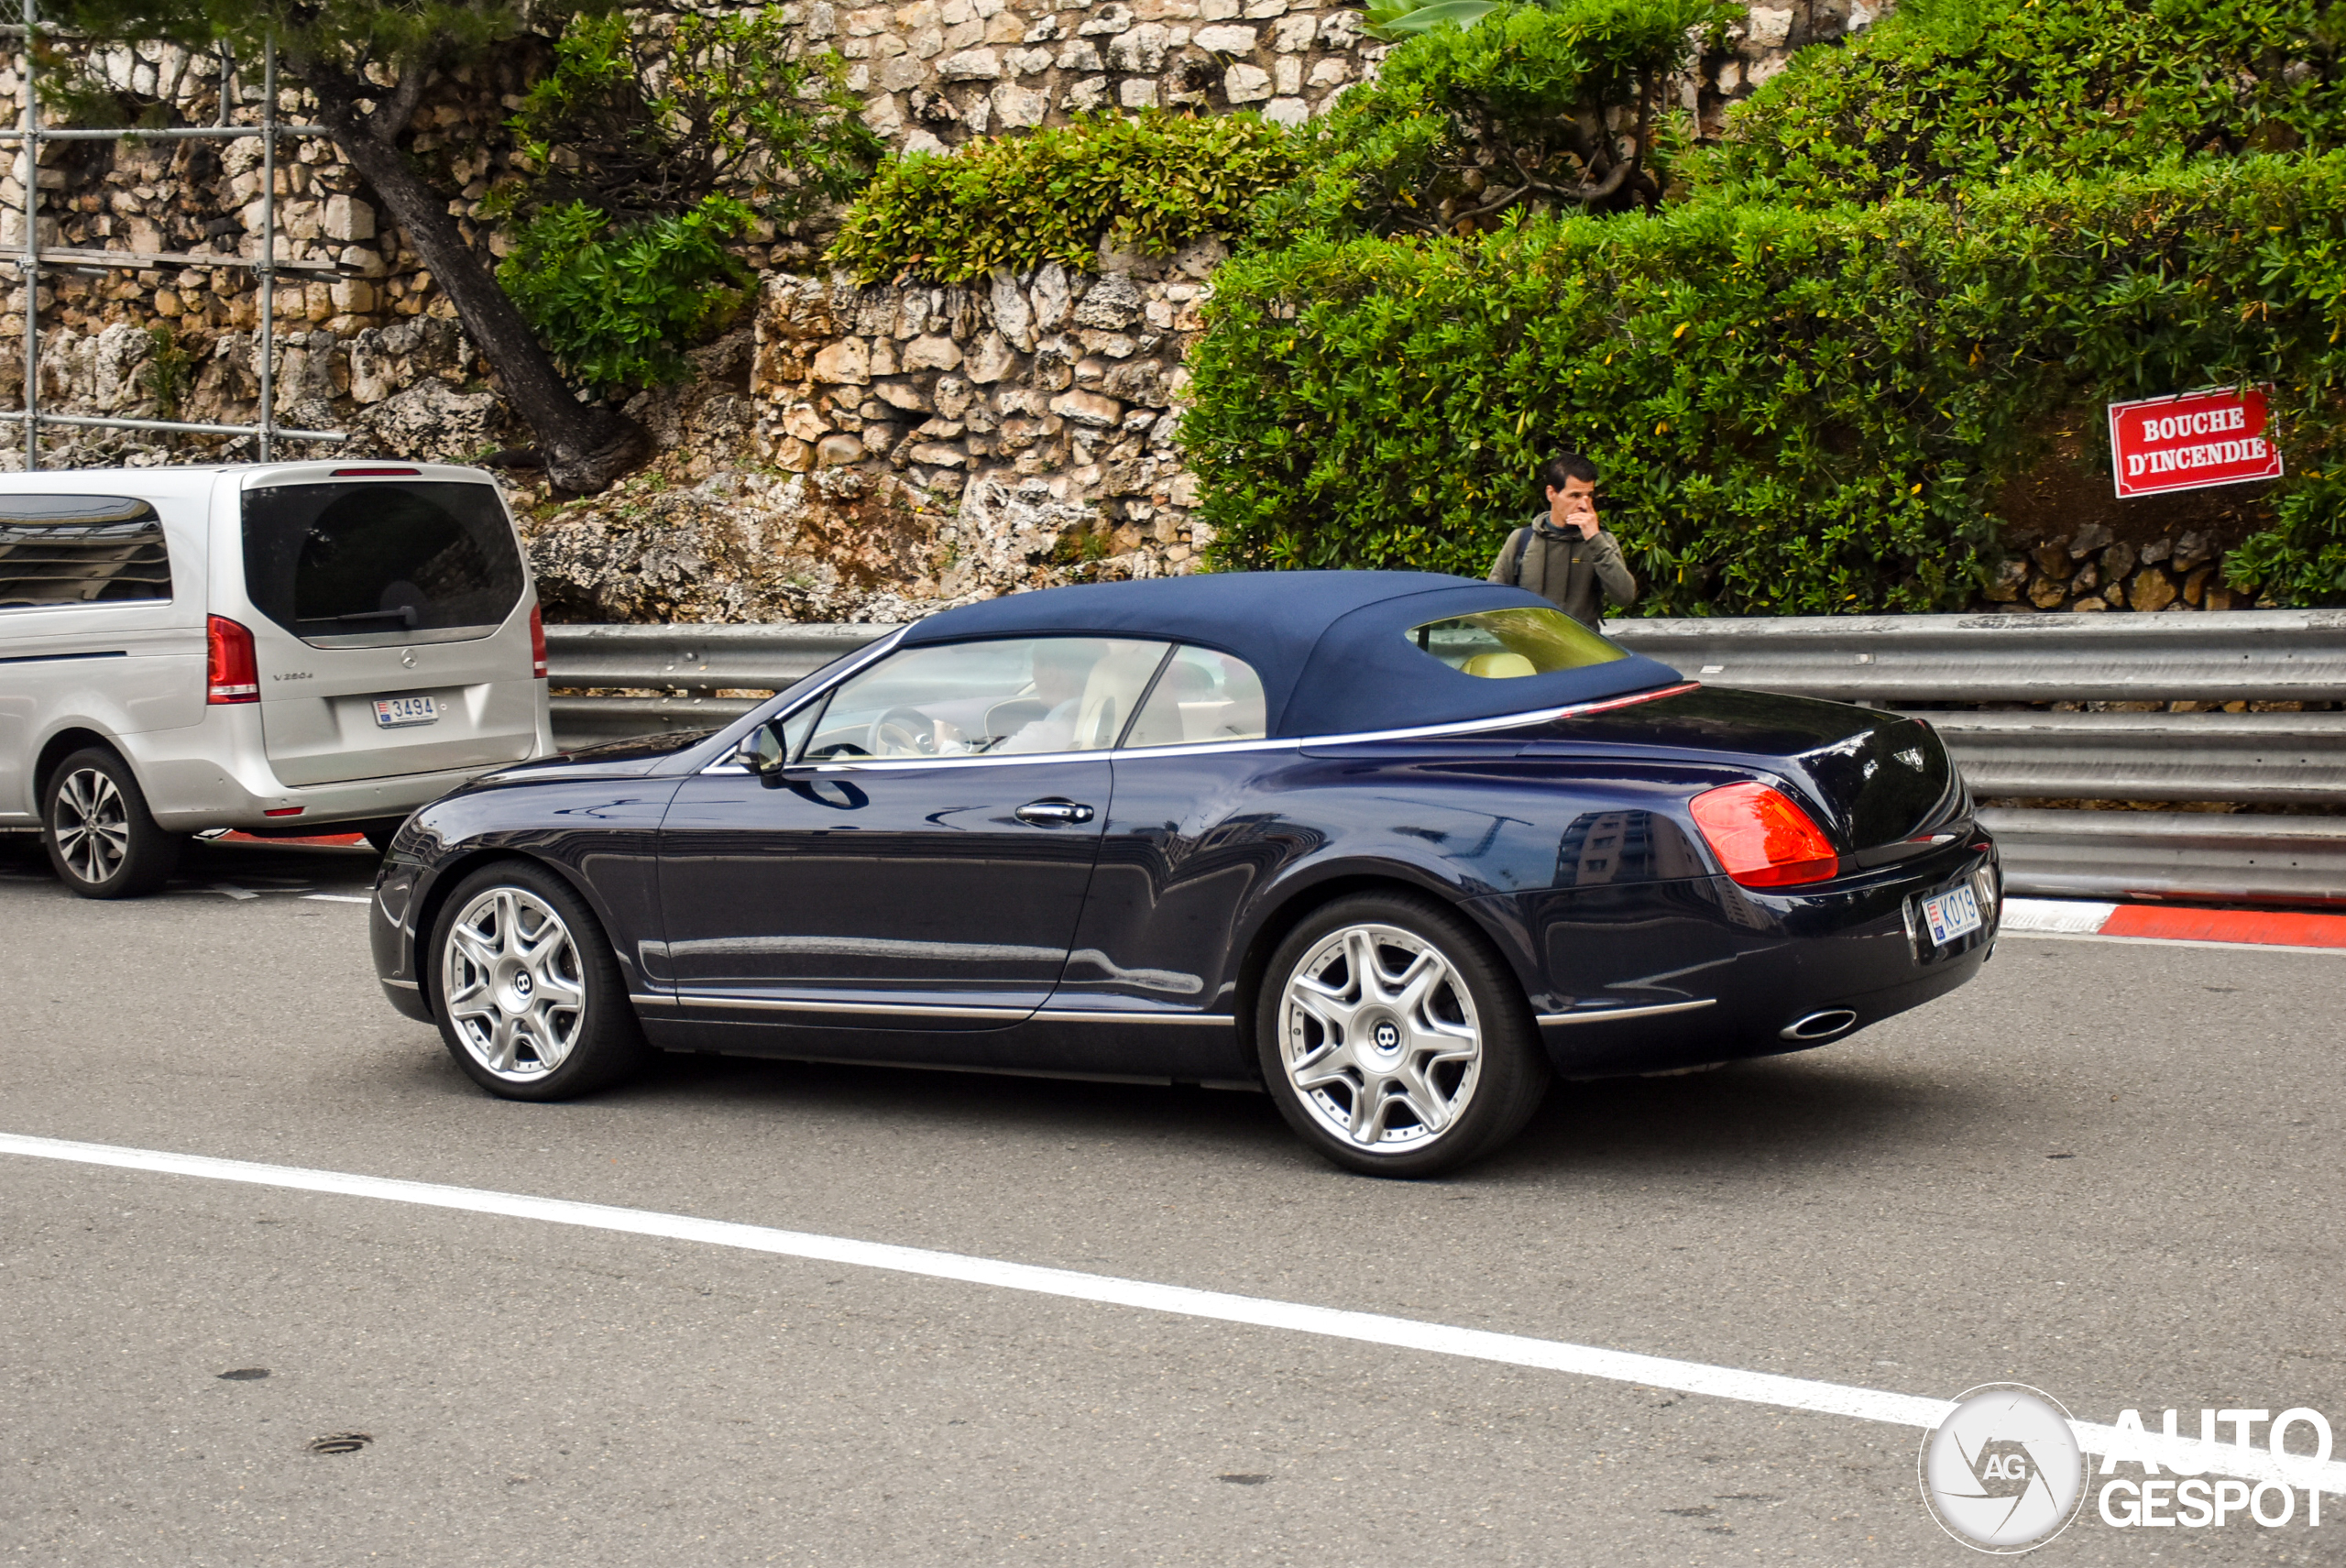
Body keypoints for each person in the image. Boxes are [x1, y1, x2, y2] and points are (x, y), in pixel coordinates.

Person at [1489, 451, 1637, 629]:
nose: (1584, 504)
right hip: (1531, 649)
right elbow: (1492, 600)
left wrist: (1594, 540)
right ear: (1551, 493)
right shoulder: (1522, 539)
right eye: (1574, 496)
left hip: (1583, 650)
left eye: (1589, 495)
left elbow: (1624, 597)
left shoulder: (1601, 542)